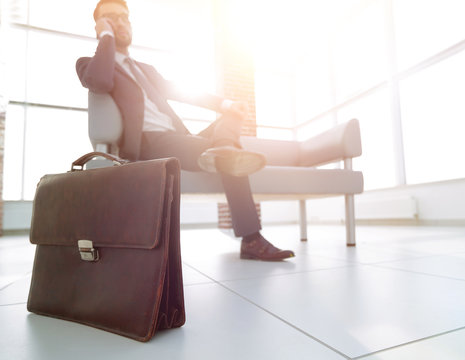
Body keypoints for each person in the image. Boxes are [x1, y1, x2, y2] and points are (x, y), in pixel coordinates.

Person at [76, 0, 295, 261]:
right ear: (99, 26)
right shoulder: (89, 63)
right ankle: (251, 239)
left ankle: (224, 148)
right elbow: (100, 81)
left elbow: (182, 92)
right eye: (111, 18)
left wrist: (225, 103)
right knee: (231, 152)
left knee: (232, 116)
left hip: (179, 139)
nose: (121, 22)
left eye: (125, 17)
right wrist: (106, 36)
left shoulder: (146, 70)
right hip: (151, 143)